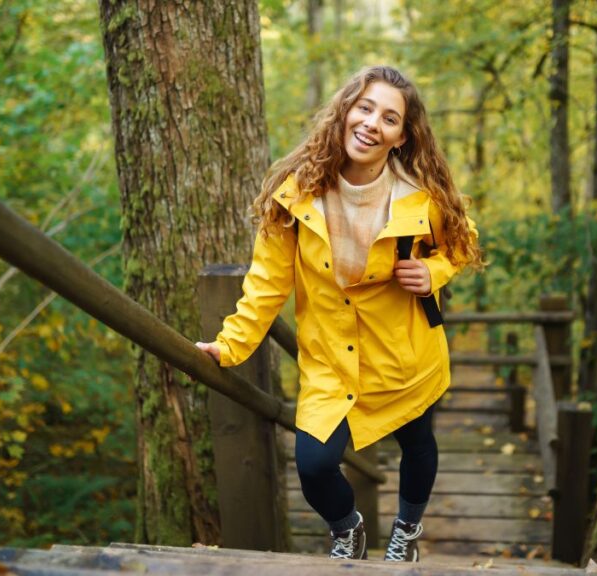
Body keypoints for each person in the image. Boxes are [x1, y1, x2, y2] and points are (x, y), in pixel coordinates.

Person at [195, 65, 480, 562]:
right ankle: (347, 526)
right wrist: (232, 345)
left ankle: (406, 534)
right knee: (314, 464)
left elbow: (462, 242)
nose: (372, 122)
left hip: (402, 351)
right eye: (365, 107)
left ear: (402, 136)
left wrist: (434, 272)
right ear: (346, 111)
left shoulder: (421, 197)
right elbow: (266, 284)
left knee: (417, 441)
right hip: (331, 358)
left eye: (389, 118)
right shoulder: (296, 193)